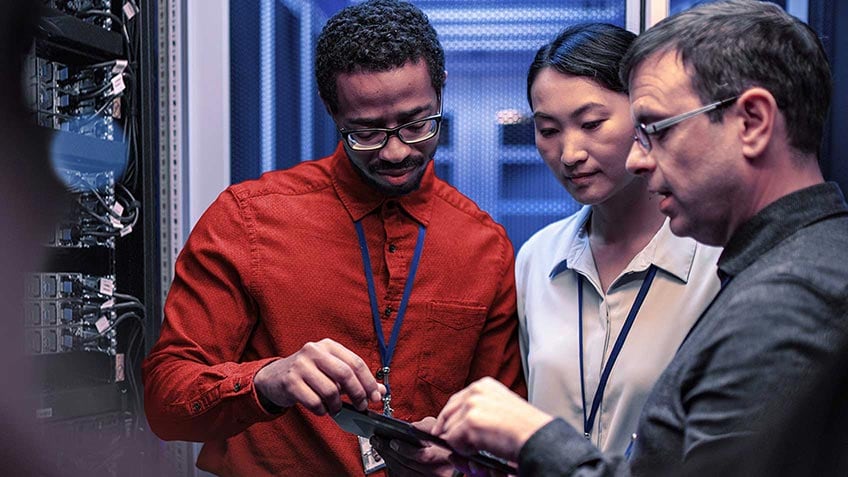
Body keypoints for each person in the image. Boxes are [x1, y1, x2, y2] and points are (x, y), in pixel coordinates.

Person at [432, 1, 848, 475]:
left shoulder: (791, 291)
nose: (639, 158)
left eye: (658, 130)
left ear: (752, 122)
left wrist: (536, 439)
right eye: (547, 130)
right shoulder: (783, 266)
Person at [141, 1, 525, 475]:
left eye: (418, 123)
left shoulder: (484, 245)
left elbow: (506, 433)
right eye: (365, 132)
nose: (396, 150)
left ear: (440, 89)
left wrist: (460, 457)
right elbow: (164, 400)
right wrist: (265, 380)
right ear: (331, 110)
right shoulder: (248, 218)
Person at [516, 23, 720, 455]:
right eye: (548, 130)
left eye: (592, 123)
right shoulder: (537, 258)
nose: (570, 153)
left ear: (645, 116)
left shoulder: (714, 259)